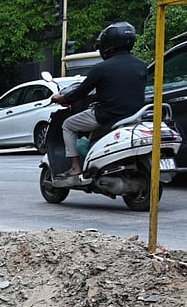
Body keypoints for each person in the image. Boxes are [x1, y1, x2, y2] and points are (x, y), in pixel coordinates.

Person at [50, 22, 146, 186]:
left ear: (108, 44)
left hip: (107, 115)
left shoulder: (101, 68)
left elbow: (80, 93)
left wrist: (61, 98)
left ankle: (74, 168)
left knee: (68, 124)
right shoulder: (141, 64)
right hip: (134, 114)